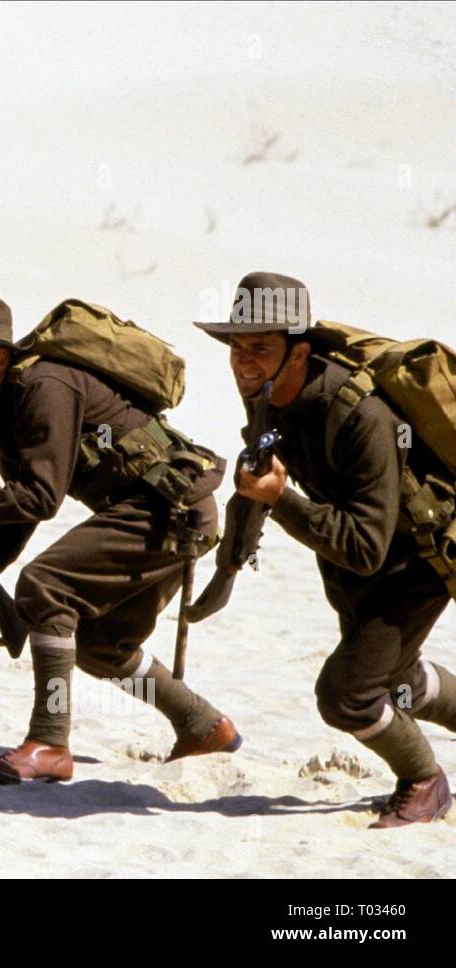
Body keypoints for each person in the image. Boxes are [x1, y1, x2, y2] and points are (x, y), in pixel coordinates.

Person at [0, 292, 241, 783]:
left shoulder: (44, 386)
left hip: (171, 509)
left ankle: (49, 742)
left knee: (46, 586)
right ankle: (202, 724)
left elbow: (41, 497)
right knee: (102, 647)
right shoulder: (2, 404)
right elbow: (26, 497)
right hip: (164, 511)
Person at [194, 271, 453, 828]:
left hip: (417, 562)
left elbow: (364, 546)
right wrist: (227, 568)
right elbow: (254, 478)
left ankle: (425, 783)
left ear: (299, 352)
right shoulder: (266, 398)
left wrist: (282, 499)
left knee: (348, 694)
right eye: (236, 348)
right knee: (398, 683)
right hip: (355, 558)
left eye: (260, 348)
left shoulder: (361, 416)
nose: (243, 362)